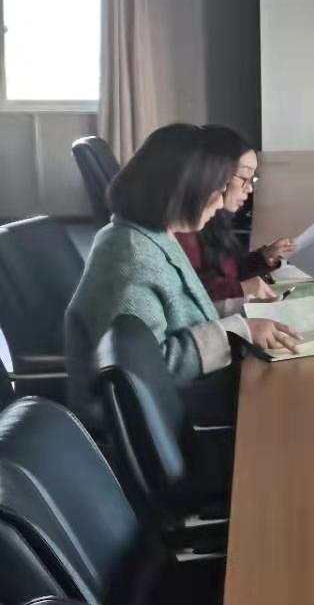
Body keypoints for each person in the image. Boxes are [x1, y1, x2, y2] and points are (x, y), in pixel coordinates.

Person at [65, 123, 300, 427]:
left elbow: (183, 309)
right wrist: (239, 329)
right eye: (218, 189)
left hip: (185, 395)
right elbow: (153, 367)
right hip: (162, 417)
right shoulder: (133, 257)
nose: (220, 202)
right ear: (185, 189)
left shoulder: (152, 234)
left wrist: (242, 309)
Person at [176, 125, 295, 308]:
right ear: (214, 173)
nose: (250, 189)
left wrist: (264, 257)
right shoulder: (180, 228)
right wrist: (240, 289)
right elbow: (184, 297)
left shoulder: (215, 220)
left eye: (253, 179)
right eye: (244, 177)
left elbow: (229, 272)